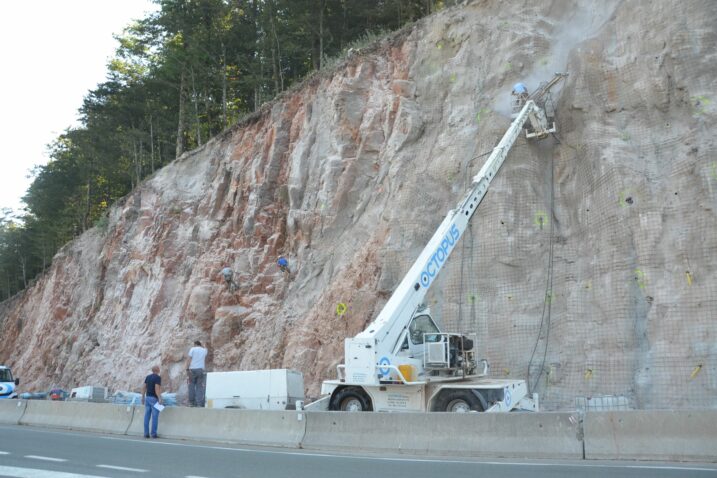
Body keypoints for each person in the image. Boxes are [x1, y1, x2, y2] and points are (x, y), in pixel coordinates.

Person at [142, 365, 163, 439]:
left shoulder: (148, 377)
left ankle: (146, 433)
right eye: (159, 368)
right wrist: (159, 398)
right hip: (154, 399)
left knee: (147, 416)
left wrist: (142, 397)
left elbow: (144, 387)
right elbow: (157, 388)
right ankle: (153, 434)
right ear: (157, 370)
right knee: (155, 417)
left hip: (147, 398)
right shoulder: (157, 378)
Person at [186, 340, 208, 407]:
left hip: (192, 370)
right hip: (200, 370)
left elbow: (189, 359)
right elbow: (206, 347)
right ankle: (199, 404)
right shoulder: (204, 350)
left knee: (191, 386)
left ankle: (191, 403)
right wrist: (203, 345)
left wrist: (187, 369)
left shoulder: (192, 349)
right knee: (199, 387)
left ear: (195, 344)